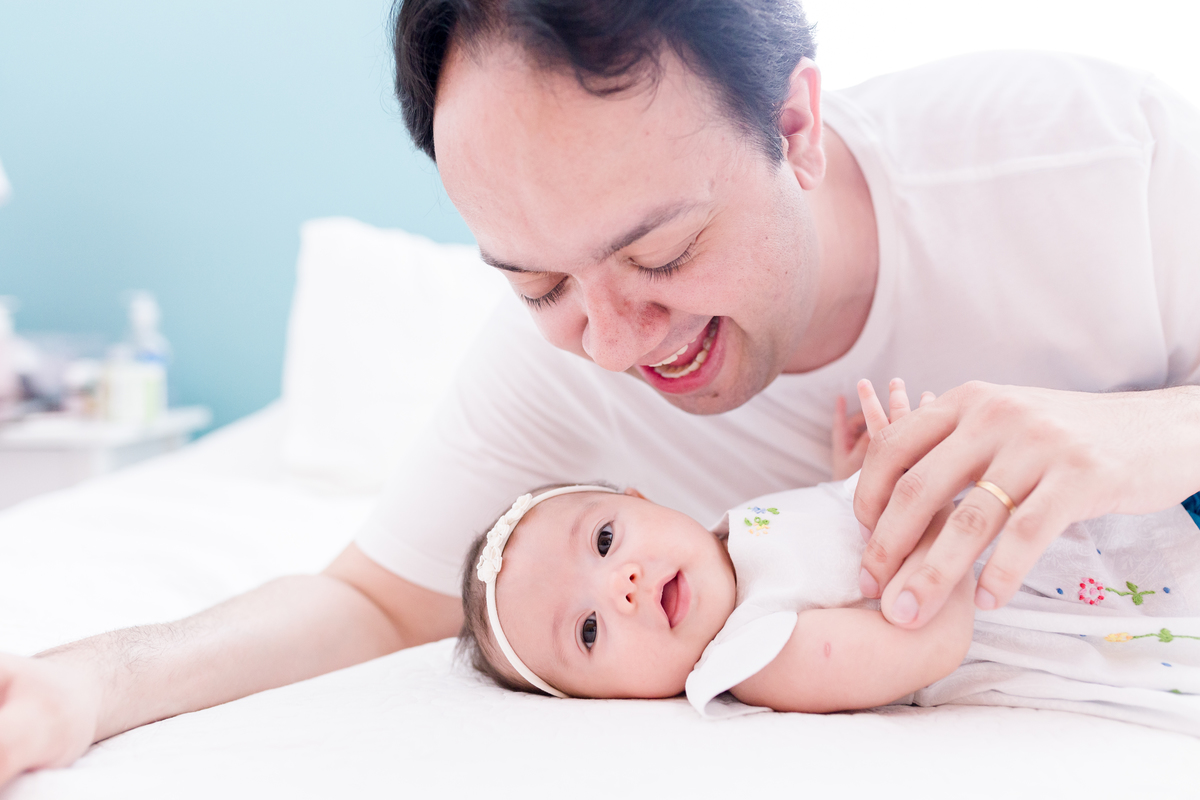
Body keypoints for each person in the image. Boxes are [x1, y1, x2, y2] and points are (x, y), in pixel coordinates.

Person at [2, 0, 1199, 784]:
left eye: (662, 254)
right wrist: (82, 683)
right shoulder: (558, 373)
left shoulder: (1089, 154)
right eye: (537, 283)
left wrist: (1147, 432)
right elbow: (364, 600)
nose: (616, 344)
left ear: (795, 125)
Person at [456, 379, 1200, 733]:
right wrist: (931, 513)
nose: (619, 585)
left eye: (604, 539)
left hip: (1093, 520)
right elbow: (928, 643)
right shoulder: (753, 655)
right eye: (588, 631)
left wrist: (856, 478)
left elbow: (825, 533)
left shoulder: (739, 532)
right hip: (1065, 602)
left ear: (642, 498)